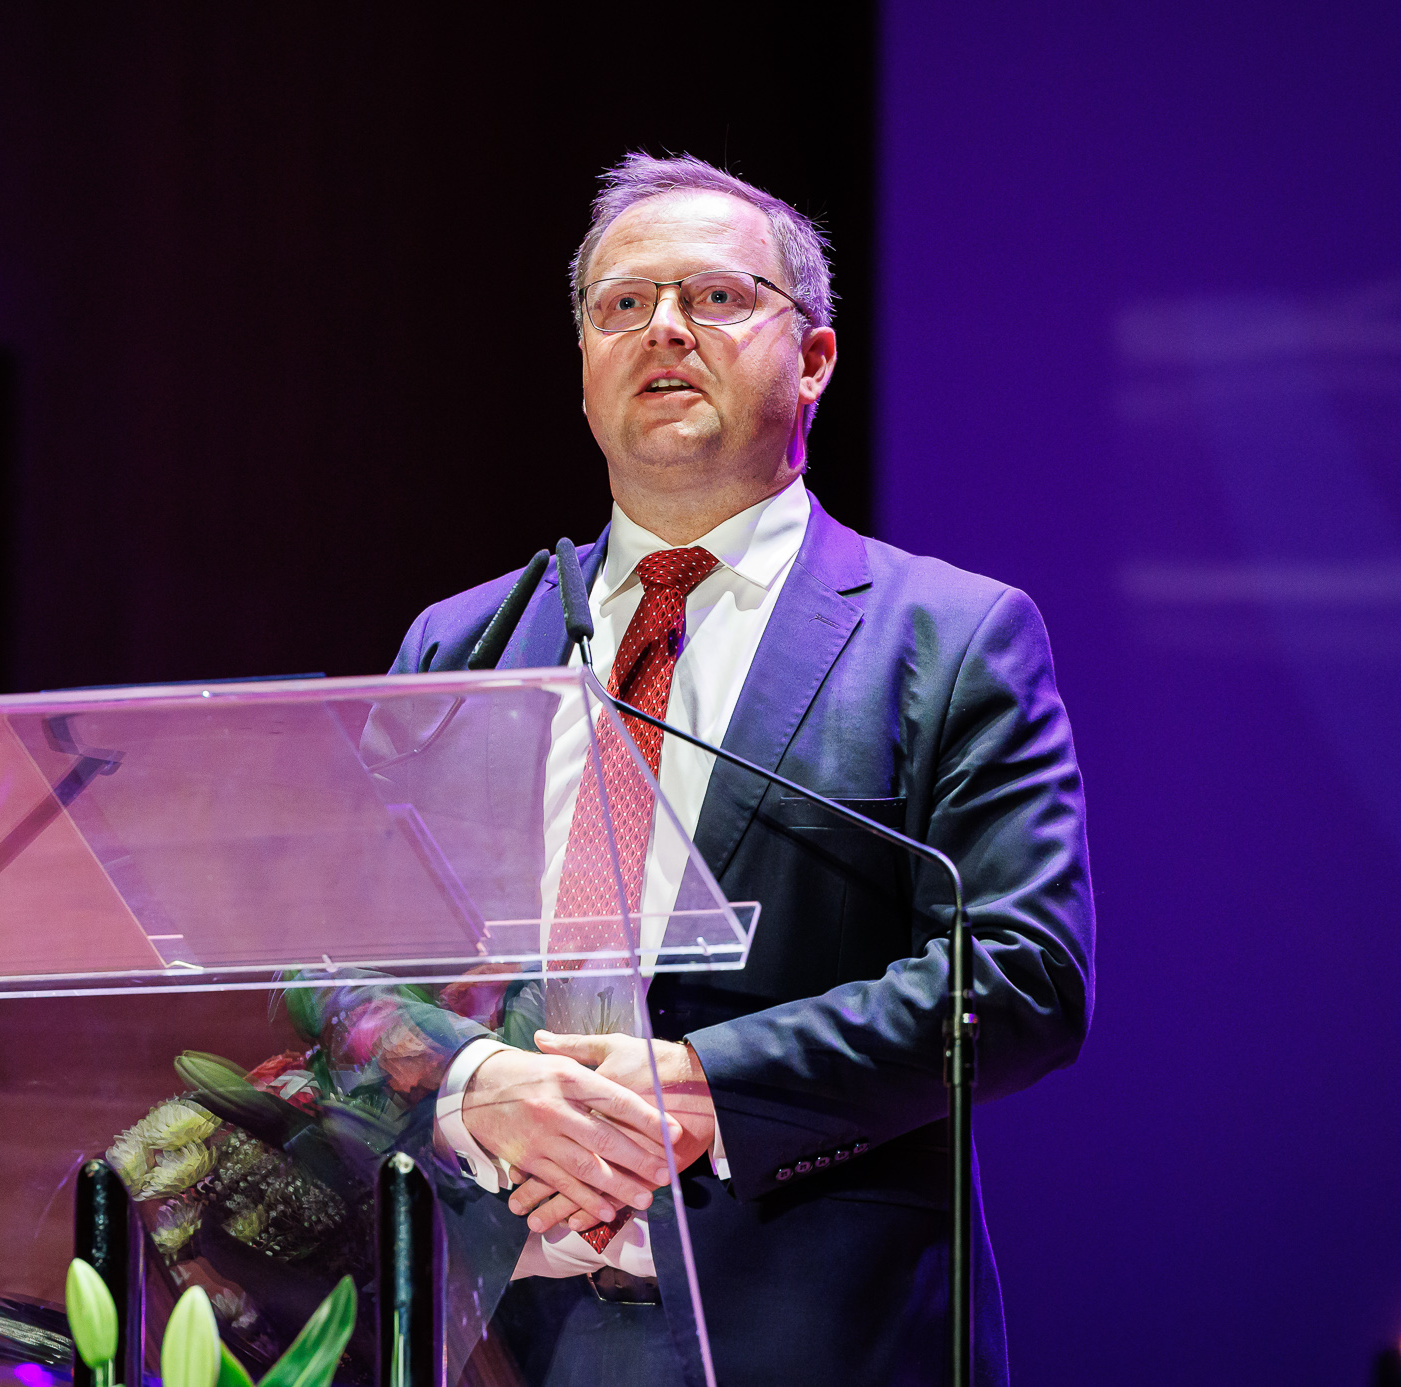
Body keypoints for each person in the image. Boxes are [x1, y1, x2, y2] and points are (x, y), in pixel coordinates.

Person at [387, 153, 1096, 1386]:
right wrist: (470, 1080)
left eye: (714, 296)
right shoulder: (465, 645)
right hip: (488, 1325)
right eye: (622, 304)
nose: (662, 327)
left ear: (813, 358)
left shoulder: (945, 639)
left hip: (808, 1326)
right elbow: (339, 967)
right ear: (584, 365)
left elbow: (1023, 975)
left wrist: (707, 1081)